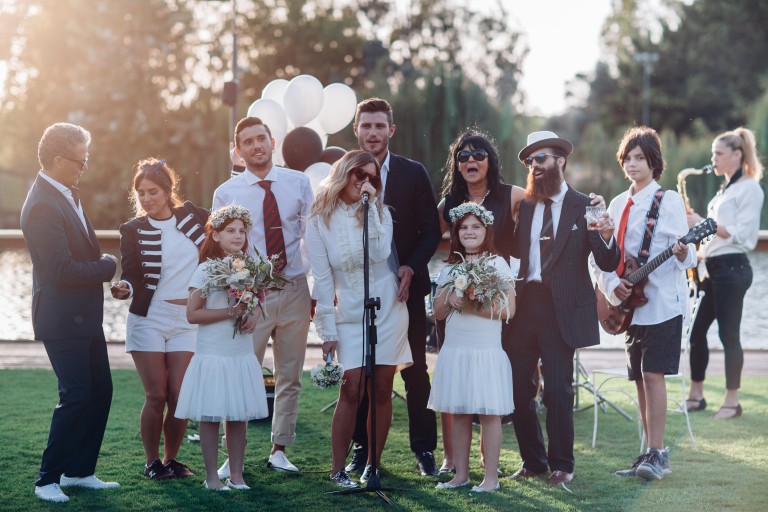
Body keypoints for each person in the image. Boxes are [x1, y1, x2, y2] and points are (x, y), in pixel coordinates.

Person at [506, 131, 620, 488]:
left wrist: (606, 234)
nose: (535, 166)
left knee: (558, 390)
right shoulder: (526, 206)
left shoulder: (587, 205)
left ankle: (562, 465)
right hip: (525, 306)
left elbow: (608, 261)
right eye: (530, 161)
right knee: (516, 388)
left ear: (561, 161)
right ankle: (533, 461)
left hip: (562, 309)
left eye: (541, 159)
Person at [20, 123, 120, 503]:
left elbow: (78, 256)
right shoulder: (42, 205)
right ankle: (47, 479)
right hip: (61, 320)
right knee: (76, 395)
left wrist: (107, 278)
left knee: (101, 392)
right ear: (60, 160)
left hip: (85, 317)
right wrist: (107, 267)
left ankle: (79, 471)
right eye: (81, 160)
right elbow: (62, 271)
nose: (85, 166)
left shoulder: (65, 192)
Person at [593, 126, 696, 480]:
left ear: (654, 162)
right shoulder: (617, 204)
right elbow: (600, 258)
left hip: (663, 304)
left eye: (640, 158)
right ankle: (649, 453)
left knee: (653, 375)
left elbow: (689, 255)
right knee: (638, 378)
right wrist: (612, 287)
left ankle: (658, 453)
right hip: (628, 307)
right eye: (628, 158)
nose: (632, 164)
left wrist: (682, 252)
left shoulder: (668, 201)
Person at [213, 116, 314, 475]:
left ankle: (279, 449)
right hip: (251, 293)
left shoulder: (299, 182)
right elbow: (222, 247)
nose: (256, 146)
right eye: (248, 141)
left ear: (272, 142)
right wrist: (237, 292)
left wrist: (318, 287)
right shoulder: (227, 192)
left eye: (261, 138)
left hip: (295, 288)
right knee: (241, 374)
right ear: (238, 151)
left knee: (290, 375)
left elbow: (312, 235)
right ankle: (232, 456)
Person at [347, 98, 442, 478]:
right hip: (362, 292)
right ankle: (362, 449)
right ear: (356, 129)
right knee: (364, 374)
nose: (373, 133)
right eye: (366, 125)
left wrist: (411, 267)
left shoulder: (413, 173)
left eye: (379, 126)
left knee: (415, 372)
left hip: (406, 289)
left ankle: (424, 449)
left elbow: (431, 231)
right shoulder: (345, 173)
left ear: (391, 130)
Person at [307, 150, 413, 488]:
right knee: (351, 387)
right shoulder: (319, 219)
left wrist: (372, 209)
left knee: (382, 389)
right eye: (359, 174)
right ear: (345, 173)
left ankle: (373, 465)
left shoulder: (381, 213)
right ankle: (338, 469)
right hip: (349, 313)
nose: (365, 181)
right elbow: (323, 279)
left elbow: (381, 253)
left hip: (387, 308)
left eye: (372, 178)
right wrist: (326, 331)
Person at [110, 158, 208, 480]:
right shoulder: (132, 230)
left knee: (180, 395)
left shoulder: (193, 216)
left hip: (188, 320)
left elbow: (226, 223)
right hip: (149, 319)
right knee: (156, 395)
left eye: (153, 191)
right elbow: (132, 273)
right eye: (141, 193)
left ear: (167, 190)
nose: (147, 198)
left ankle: (171, 460)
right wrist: (125, 287)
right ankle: (152, 462)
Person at [435, 129, 525, 473]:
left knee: (490, 403)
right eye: (463, 156)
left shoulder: (511, 195)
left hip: (494, 314)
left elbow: (542, 219)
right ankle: (455, 465)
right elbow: (430, 237)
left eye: (478, 154)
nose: (470, 160)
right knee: (457, 402)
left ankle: (491, 470)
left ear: (491, 160)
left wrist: (474, 300)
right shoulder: (448, 203)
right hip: (457, 333)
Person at [175, 205, 269, 491]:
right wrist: (231, 311)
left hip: (239, 350)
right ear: (215, 235)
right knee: (211, 415)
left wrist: (253, 313)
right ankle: (212, 477)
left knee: (238, 415)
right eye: (230, 231)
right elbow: (193, 314)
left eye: (242, 231)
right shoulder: (205, 270)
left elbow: (256, 301)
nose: (238, 236)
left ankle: (237, 475)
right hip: (214, 352)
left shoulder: (250, 268)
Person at [429, 203, 516, 493]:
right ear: (456, 233)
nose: (469, 232)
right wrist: (450, 298)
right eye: (464, 227)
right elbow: (438, 312)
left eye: (475, 227)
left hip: (485, 349)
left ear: (486, 231)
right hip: (456, 348)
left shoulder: (498, 264)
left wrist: (470, 305)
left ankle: (490, 479)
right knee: (460, 411)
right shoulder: (450, 267)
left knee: (490, 414)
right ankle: (461, 475)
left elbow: (509, 310)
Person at [685, 127, 765, 419]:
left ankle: (732, 402)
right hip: (714, 268)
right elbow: (717, 235)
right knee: (696, 334)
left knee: (729, 336)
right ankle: (696, 396)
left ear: (737, 154)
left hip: (733, 268)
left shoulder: (750, 189)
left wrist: (702, 222)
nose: (713, 159)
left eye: (718, 153)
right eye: (712, 154)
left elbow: (743, 235)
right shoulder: (725, 189)